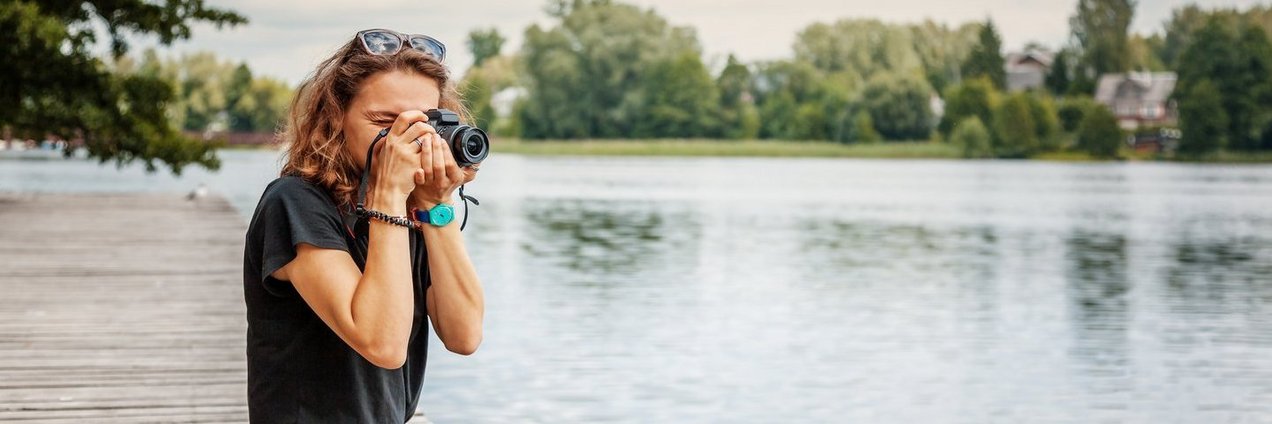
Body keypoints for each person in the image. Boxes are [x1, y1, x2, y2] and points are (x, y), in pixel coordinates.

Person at [241, 29, 485, 423]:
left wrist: (436, 206)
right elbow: (382, 344)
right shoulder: (293, 202)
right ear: (336, 116)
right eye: (384, 122)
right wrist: (388, 196)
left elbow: (464, 334)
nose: (404, 141)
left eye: (423, 125)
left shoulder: (413, 211)